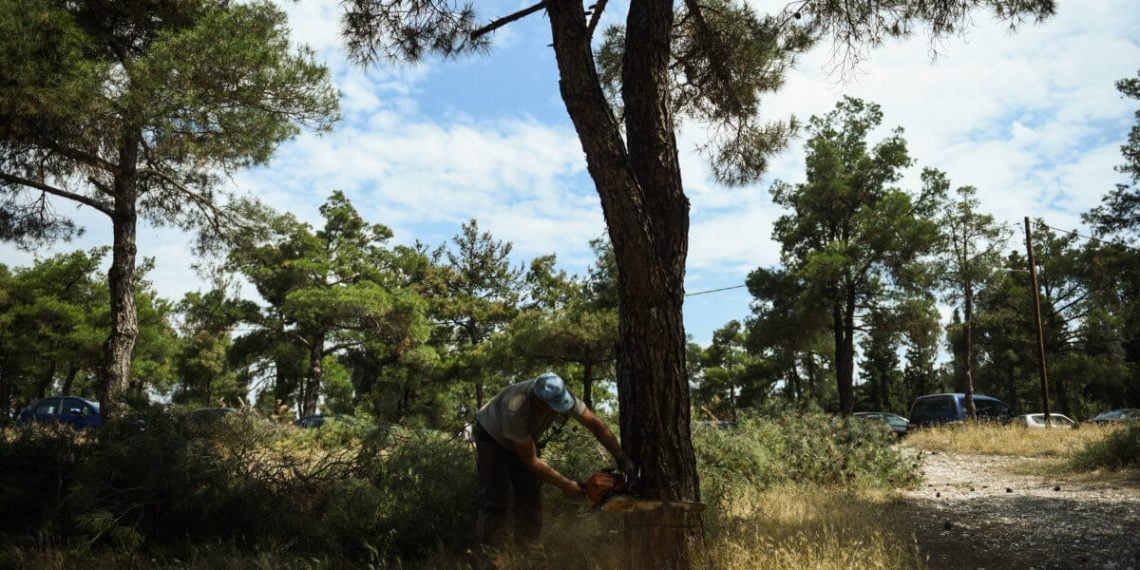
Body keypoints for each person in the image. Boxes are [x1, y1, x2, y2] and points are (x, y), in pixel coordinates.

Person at [473, 372, 634, 551]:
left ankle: (528, 548)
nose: (561, 409)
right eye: (555, 406)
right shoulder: (516, 409)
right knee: (496, 498)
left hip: (524, 439)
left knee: (530, 492)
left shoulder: (561, 394)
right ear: (538, 402)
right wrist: (566, 484)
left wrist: (621, 458)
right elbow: (530, 460)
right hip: (492, 438)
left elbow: (596, 425)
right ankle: (490, 554)